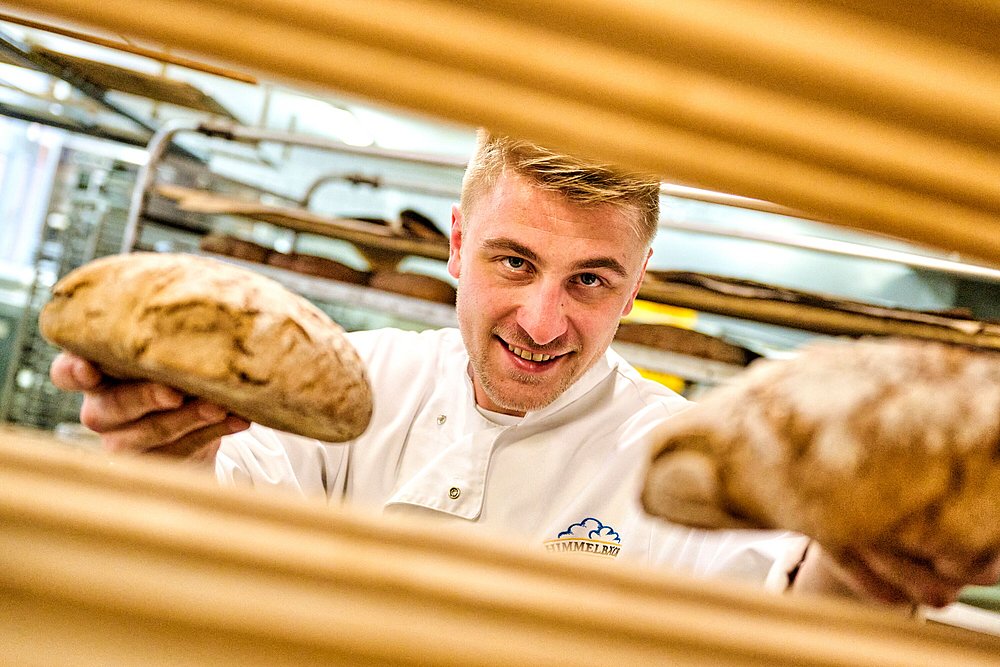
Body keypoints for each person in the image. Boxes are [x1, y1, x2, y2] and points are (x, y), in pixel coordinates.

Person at [51, 130, 999, 609]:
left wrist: (869, 561)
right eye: (515, 262)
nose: (545, 322)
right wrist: (157, 445)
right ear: (456, 247)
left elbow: (786, 616)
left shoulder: (680, 457)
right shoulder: (340, 388)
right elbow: (204, 543)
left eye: (592, 279)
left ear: (637, 287)